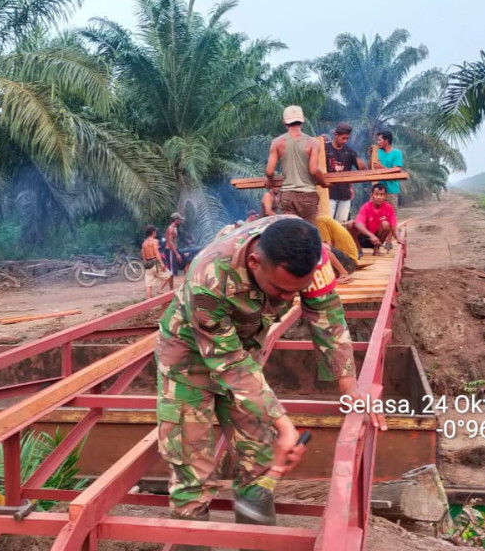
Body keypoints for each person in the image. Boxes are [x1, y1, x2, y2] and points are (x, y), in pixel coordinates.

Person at [155, 216, 386, 549]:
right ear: (254, 261)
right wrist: (284, 424)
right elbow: (228, 363)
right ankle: (192, 541)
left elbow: (326, 317)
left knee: (258, 460)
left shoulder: (312, 254)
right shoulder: (209, 278)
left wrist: (350, 389)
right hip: (188, 360)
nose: (285, 298)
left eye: (295, 291)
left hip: (244, 351)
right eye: (280, 290)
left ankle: (257, 539)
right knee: (192, 475)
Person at [265, 106, 327, 224]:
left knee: (290, 234)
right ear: (302, 121)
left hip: (287, 196)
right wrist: (324, 183)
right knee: (306, 234)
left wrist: (270, 180)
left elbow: (269, 171)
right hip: (308, 196)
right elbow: (314, 170)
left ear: (285, 122)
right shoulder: (313, 143)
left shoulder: (277, 143)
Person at [326, 122, 366, 223]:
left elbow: (363, 170)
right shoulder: (324, 149)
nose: (345, 141)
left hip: (344, 194)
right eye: (343, 138)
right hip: (328, 194)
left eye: (347, 138)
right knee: (328, 224)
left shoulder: (349, 152)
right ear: (336, 135)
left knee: (342, 226)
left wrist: (361, 162)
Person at [349, 183, 402, 256]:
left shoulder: (389, 208)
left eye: (381, 195)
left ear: (385, 196)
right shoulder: (365, 207)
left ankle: (376, 249)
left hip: (378, 240)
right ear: (371, 195)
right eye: (376, 194)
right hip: (364, 237)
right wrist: (371, 235)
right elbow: (358, 223)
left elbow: (394, 226)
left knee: (386, 224)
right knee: (350, 224)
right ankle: (359, 249)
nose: (379, 197)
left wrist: (398, 238)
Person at [316, 215, 358, 284]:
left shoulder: (320, 220)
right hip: (348, 262)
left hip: (348, 263)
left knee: (319, 247)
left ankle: (343, 274)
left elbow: (326, 247)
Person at [371, 130, 403, 208]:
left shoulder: (397, 153)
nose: (377, 142)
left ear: (386, 141)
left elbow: (397, 170)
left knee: (391, 213)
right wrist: (371, 155)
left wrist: (382, 168)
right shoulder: (377, 152)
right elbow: (371, 167)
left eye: (379, 140)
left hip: (391, 190)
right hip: (378, 190)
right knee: (377, 214)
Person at [141, 225, 168, 299]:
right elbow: (156, 253)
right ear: (153, 232)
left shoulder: (144, 243)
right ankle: (159, 289)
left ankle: (148, 303)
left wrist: (145, 264)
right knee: (168, 275)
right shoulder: (155, 241)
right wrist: (162, 264)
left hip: (148, 263)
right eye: (155, 231)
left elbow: (143, 255)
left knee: (148, 285)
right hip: (154, 262)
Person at [161, 212, 184, 292]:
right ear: (176, 219)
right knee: (170, 272)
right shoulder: (171, 228)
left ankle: (171, 289)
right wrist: (177, 254)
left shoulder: (175, 228)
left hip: (173, 250)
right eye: (179, 219)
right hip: (170, 250)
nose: (180, 221)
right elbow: (170, 242)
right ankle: (163, 288)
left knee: (173, 271)